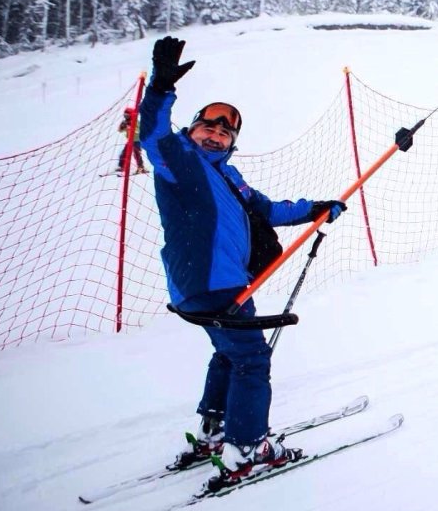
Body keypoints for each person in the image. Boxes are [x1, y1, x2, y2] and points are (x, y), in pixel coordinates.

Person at [138, 36, 346, 485]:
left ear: (231, 142)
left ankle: (214, 431)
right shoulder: (180, 162)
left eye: (224, 132)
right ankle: (248, 447)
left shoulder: (228, 177)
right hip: (212, 285)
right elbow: (151, 134)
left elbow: (268, 211)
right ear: (192, 131)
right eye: (207, 127)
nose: (214, 135)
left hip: (219, 287)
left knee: (230, 355)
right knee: (252, 360)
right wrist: (160, 86)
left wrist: (316, 208)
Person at [115, 108, 146, 174]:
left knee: (137, 154)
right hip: (130, 140)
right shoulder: (125, 122)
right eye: (125, 115)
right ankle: (121, 166)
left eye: (127, 115)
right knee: (124, 153)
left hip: (136, 140)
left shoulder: (135, 121)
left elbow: (138, 131)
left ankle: (141, 167)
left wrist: (130, 127)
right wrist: (122, 126)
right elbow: (120, 131)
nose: (126, 117)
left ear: (131, 115)